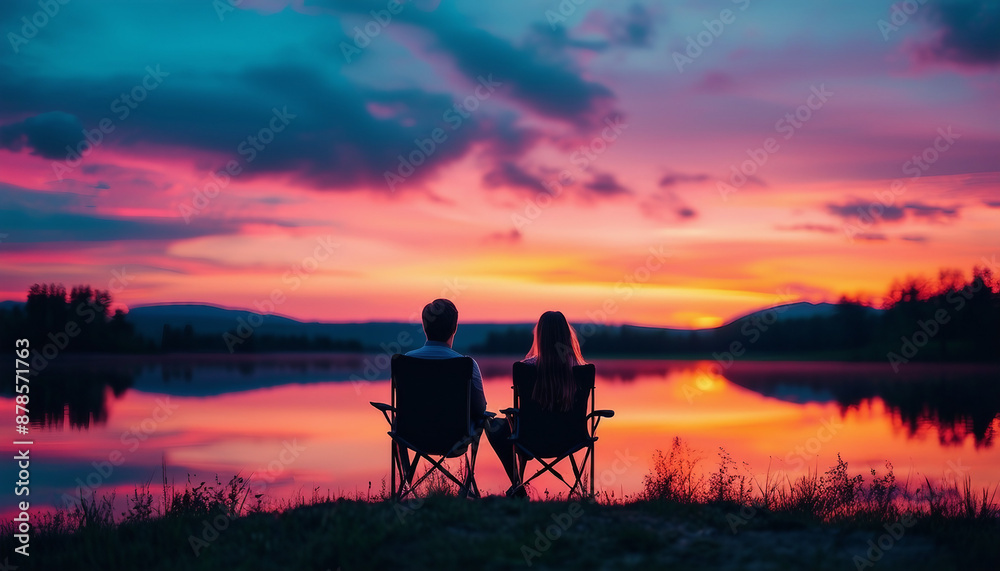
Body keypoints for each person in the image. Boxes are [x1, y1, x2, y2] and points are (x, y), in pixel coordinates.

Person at [486, 310, 587, 495]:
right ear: (567, 335)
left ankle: (518, 484)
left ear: (540, 335)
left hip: (530, 439)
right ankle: (581, 492)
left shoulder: (525, 368)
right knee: (516, 426)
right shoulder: (581, 371)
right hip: (572, 438)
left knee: (496, 426)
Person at [405, 298, 487, 430]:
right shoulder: (467, 364)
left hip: (412, 435)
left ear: (424, 326)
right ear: (454, 327)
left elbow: (403, 404)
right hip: (454, 439)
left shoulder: (406, 361)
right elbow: (480, 408)